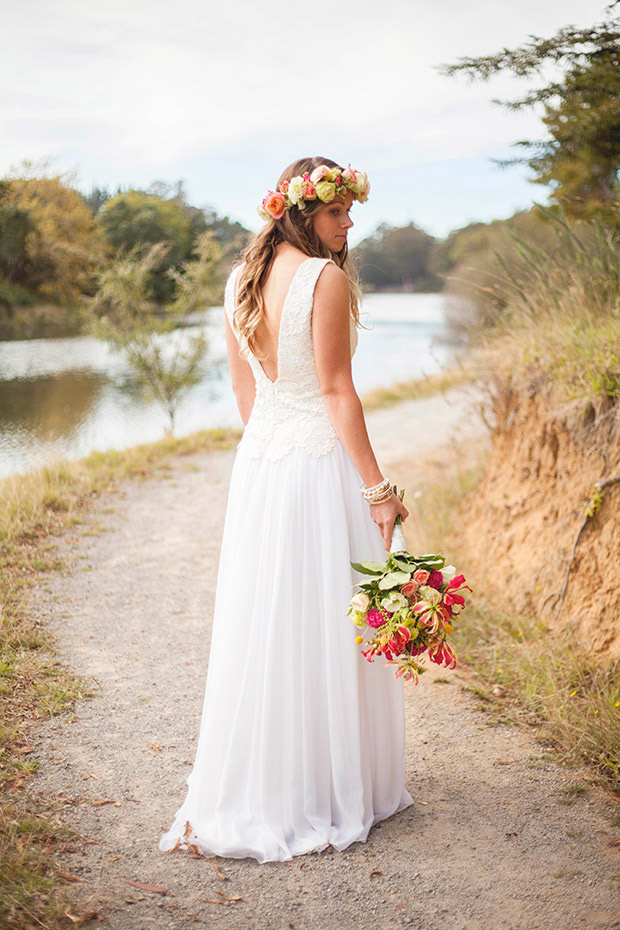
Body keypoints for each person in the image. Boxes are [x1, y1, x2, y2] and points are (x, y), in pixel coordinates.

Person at [159, 156, 414, 864]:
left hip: (263, 467)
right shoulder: (323, 279)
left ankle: (279, 778)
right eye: (337, 211)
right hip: (314, 465)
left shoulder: (239, 281)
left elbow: (246, 395)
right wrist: (377, 489)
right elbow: (337, 393)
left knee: (270, 620)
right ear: (304, 212)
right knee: (322, 618)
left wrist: (270, 452)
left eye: (348, 210)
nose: (349, 223)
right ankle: (324, 784)